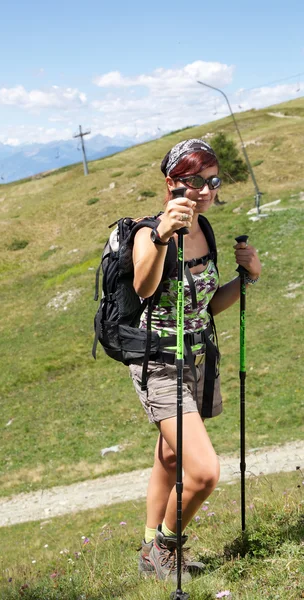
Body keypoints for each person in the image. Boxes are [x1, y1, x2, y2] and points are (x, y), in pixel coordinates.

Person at [128, 138, 261, 581]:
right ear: (171, 183)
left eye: (213, 180)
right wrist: (164, 235)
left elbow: (205, 305)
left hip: (198, 357)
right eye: (195, 181)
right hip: (158, 363)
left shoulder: (207, 230)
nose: (206, 189)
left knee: (169, 459)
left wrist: (248, 278)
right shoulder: (147, 232)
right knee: (202, 472)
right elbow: (144, 288)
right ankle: (164, 549)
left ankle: (150, 546)